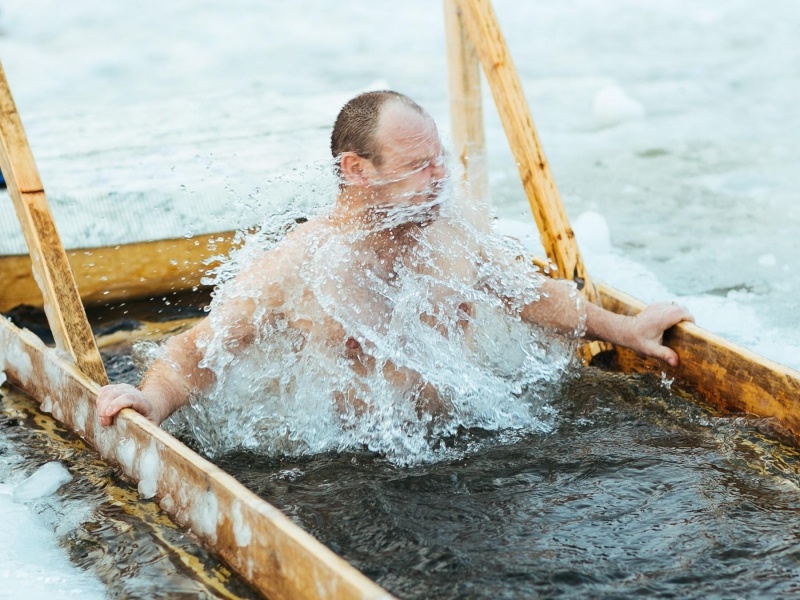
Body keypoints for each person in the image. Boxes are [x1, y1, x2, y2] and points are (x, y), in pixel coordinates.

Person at [96, 90, 693, 429]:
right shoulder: (303, 263)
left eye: (438, 161)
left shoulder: (449, 232)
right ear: (357, 171)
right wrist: (150, 400)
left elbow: (529, 294)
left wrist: (626, 330)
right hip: (351, 471)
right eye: (416, 167)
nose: (439, 180)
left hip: (463, 444)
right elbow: (197, 352)